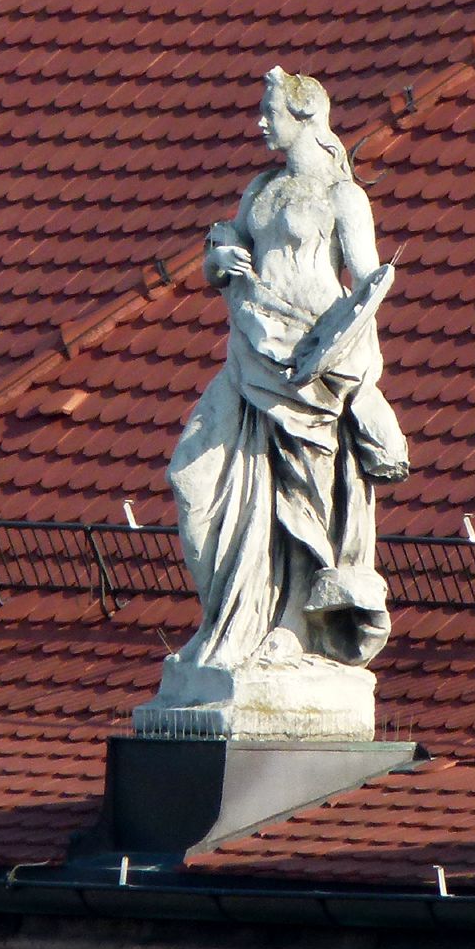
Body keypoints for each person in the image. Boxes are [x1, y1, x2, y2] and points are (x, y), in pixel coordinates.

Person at [166, 66, 408, 675]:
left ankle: (291, 626)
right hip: (252, 352)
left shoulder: (343, 197)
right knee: (192, 476)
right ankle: (228, 618)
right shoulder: (260, 191)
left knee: (300, 501)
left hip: (309, 370)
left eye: (270, 110)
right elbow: (221, 259)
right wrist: (218, 261)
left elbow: (367, 288)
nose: (260, 121)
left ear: (305, 118)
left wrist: (356, 380)